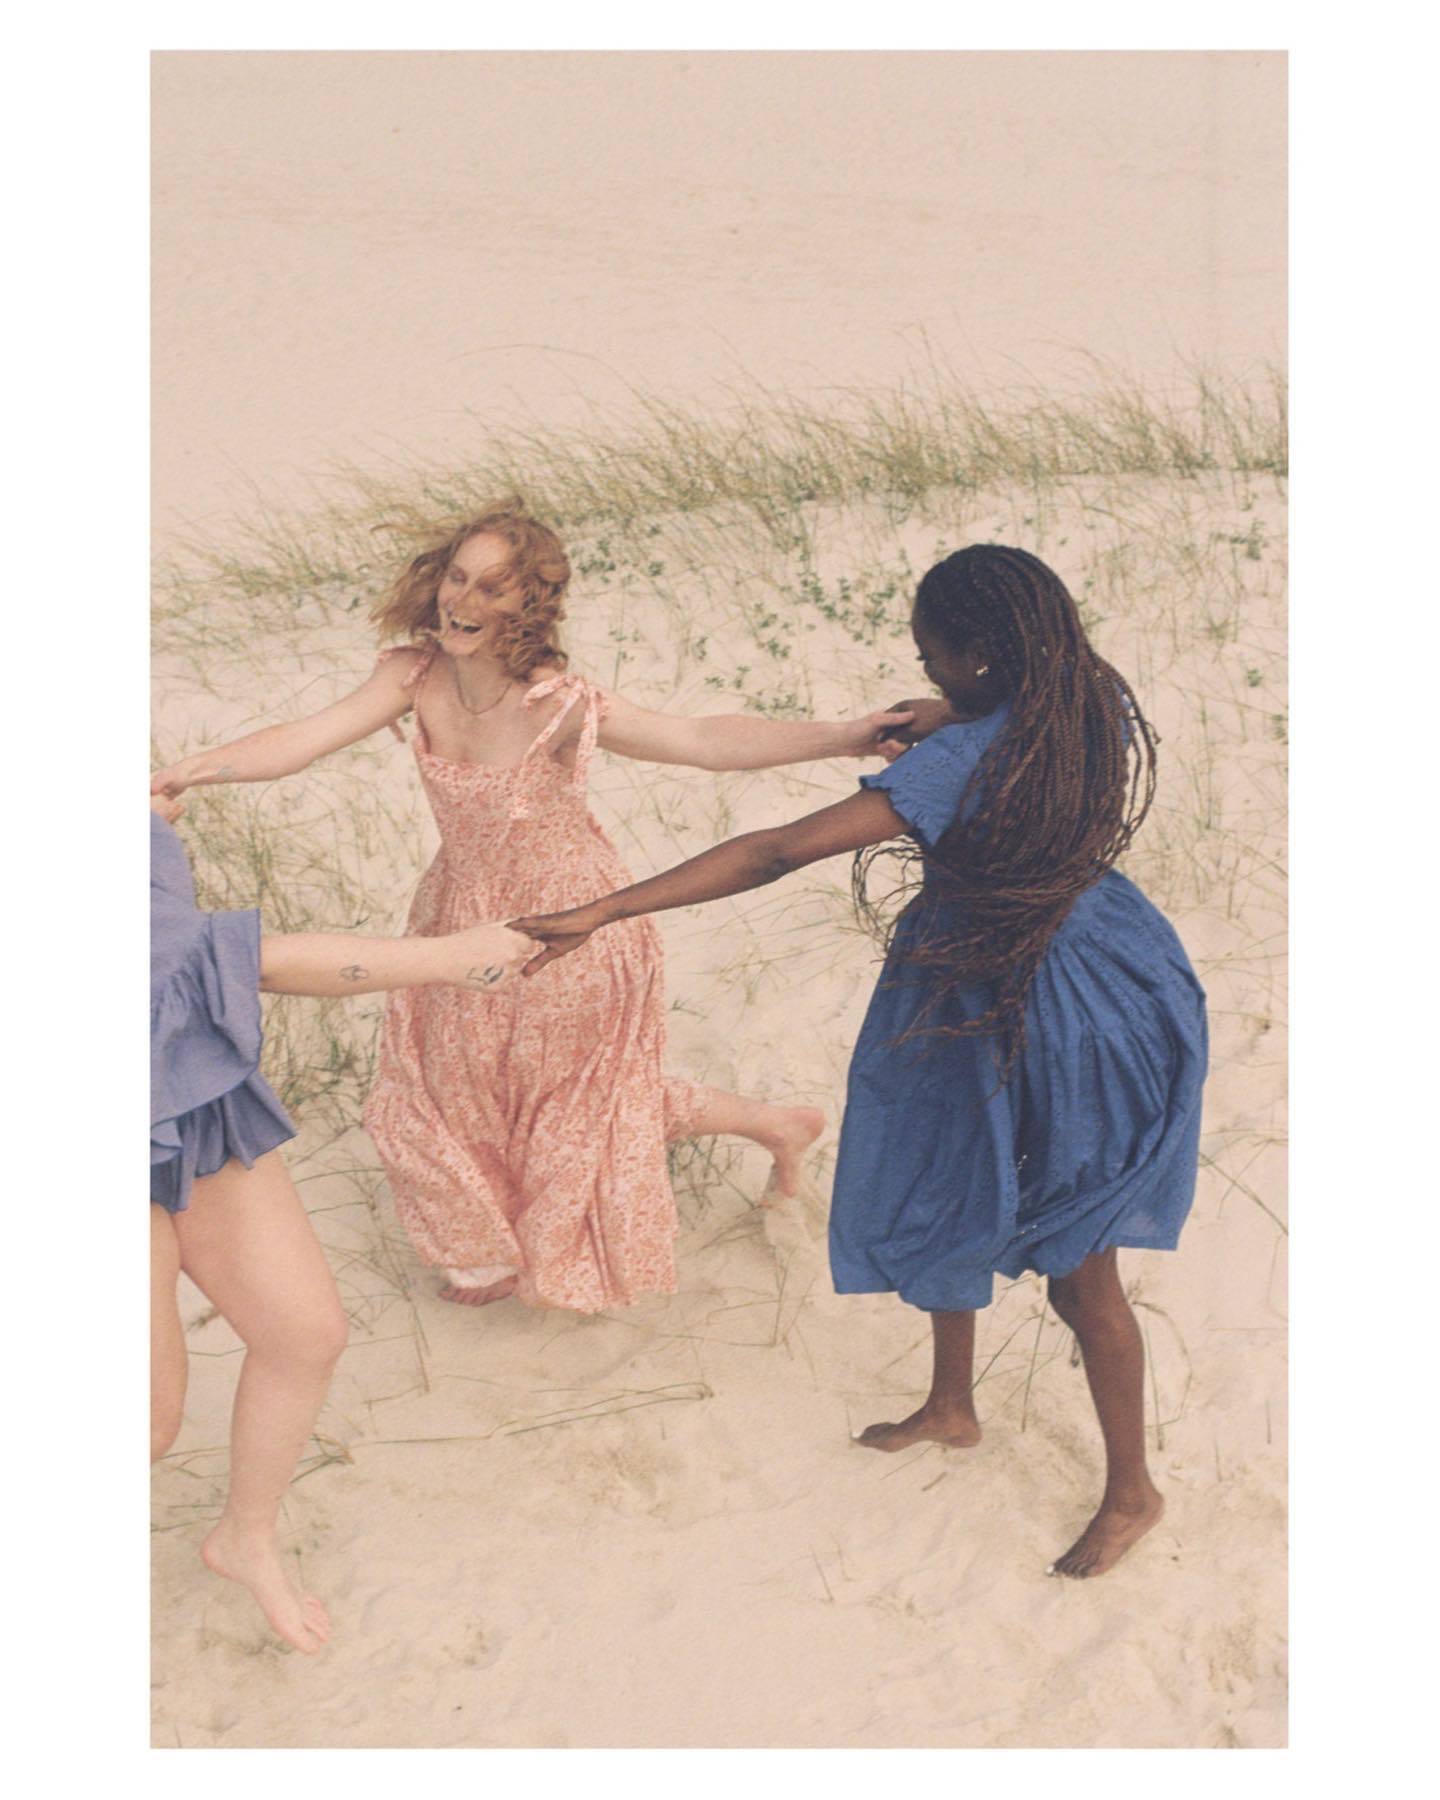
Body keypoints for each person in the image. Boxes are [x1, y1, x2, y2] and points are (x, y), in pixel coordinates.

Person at [514, 545, 1208, 1579]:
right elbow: (987, 727)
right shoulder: (1084, 698)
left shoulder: (954, 765)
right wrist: (950, 714)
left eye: (935, 660)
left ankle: (1133, 1492)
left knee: (1080, 1274)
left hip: (1029, 998)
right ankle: (951, 1405)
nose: (924, 674)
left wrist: (607, 909)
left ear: (983, 658)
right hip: (1109, 960)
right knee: (949, 1175)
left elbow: (775, 851)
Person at [150, 499, 913, 1312]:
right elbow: (306, 736)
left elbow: (700, 740)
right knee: (451, 1089)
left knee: (575, 1101)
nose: (462, 601)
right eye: (456, 578)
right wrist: (188, 771)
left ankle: (764, 1129)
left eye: (491, 589)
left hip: (573, 921)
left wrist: (846, 735)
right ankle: (767, 1126)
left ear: (529, 605)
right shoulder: (412, 675)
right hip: (456, 911)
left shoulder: (557, 702)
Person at [151, 795, 535, 1652]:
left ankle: (245, 1536)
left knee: (303, 1333)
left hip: (182, 1089)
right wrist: (446, 957)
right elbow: (253, 962)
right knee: (145, 1422)